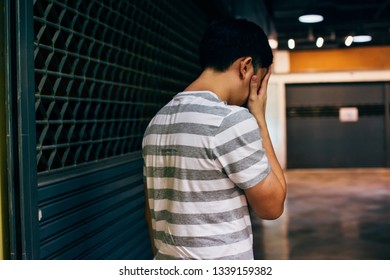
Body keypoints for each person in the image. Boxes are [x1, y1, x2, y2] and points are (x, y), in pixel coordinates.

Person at [142, 18, 287, 260]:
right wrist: (259, 117)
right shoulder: (229, 120)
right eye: (260, 81)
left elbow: (151, 210)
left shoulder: (157, 122)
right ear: (246, 67)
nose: (257, 91)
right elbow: (272, 207)